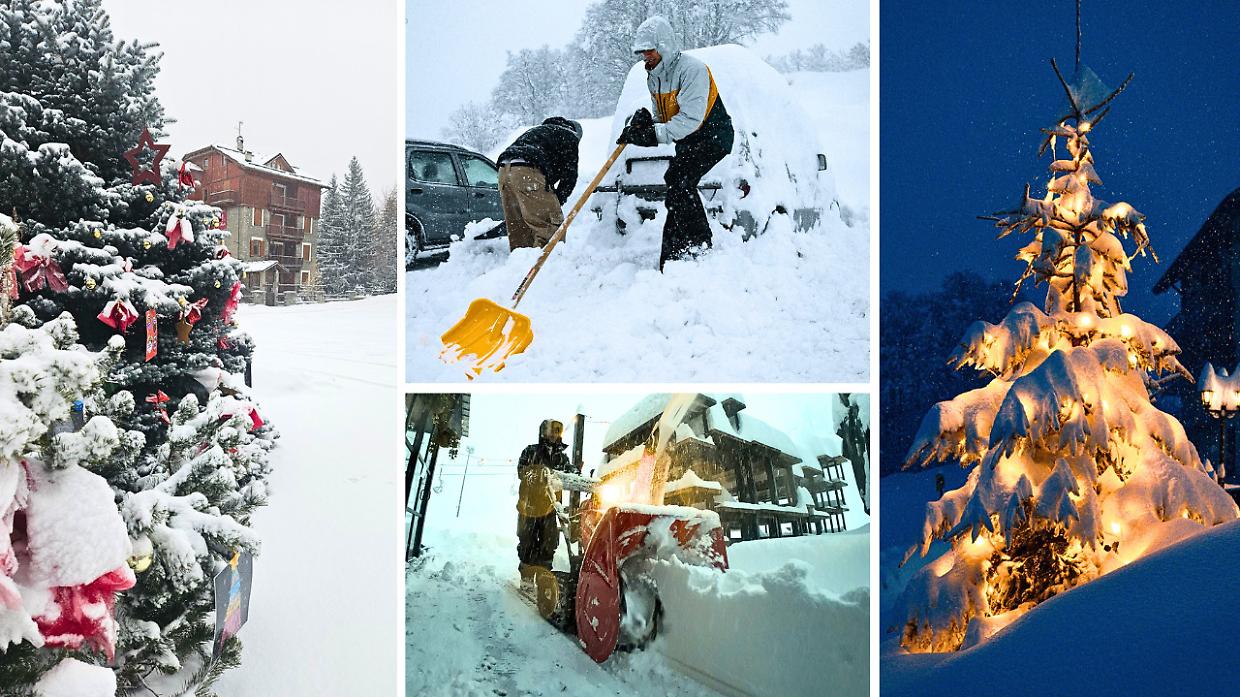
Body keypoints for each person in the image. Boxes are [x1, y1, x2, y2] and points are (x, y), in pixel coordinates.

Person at [618, 15, 735, 270]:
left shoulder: (693, 70)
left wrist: (652, 135)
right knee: (676, 186)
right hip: (689, 141)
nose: (645, 56)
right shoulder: (654, 76)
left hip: (713, 136)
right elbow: (664, 118)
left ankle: (697, 244)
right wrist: (645, 123)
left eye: (649, 50)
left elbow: (689, 120)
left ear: (664, 46)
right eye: (642, 52)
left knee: (679, 180)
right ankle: (677, 254)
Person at [496, 117, 583, 251]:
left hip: (504, 172)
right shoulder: (569, 136)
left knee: (520, 230)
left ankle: (521, 260)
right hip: (526, 171)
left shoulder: (538, 132)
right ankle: (544, 262)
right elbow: (569, 177)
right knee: (550, 227)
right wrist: (558, 200)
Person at [516, 419, 575, 579]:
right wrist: (536, 474)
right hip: (529, 506)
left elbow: (569, 474)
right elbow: (522, 471)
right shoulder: (530, 451)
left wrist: (575, 472)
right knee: (527, 542)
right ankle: (527, 577)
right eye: (551, 430)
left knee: (548, 543)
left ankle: (543, 578)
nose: (554, 434)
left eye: (557, 431)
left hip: (550, 508)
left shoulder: (562, 458)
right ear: (543, 432)